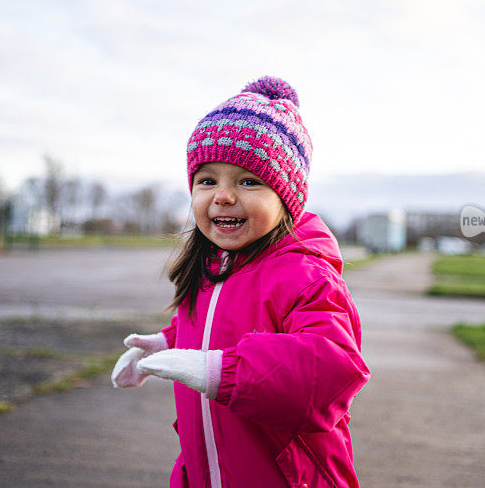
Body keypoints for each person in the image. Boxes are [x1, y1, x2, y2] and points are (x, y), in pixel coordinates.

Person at [111, 76, 370, 488]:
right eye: (207, 180)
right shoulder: (211, 268)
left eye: (248, 181)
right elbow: (219, 327)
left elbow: (331, 367)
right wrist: (168, 342)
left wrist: (223, 372)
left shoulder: (305, 275)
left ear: (286, 199)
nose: (223, 196)